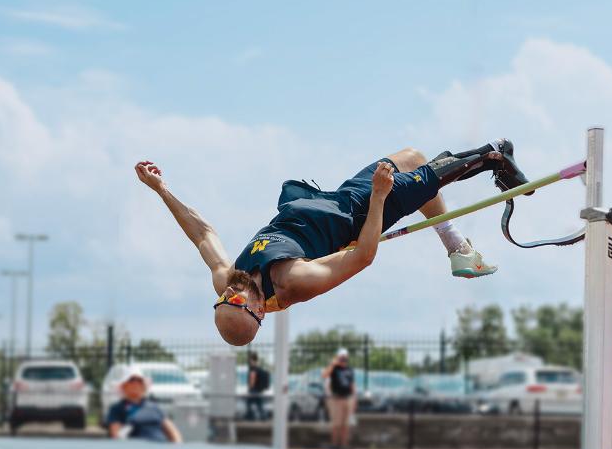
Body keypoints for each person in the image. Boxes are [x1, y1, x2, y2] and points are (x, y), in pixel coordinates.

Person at [134, 139, 530, 346]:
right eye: (239, 304)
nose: (233, 295)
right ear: (259, 312)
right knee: (430, 174)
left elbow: (202, 234)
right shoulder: (294, 281)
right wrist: (379, 198)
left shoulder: (229, 280)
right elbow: (363, 256)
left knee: (411, 156)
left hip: (319, 203)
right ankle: (495, 157)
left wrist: (161, 190)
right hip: (354, 214)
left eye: (225, 300)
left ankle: (457, 249)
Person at [106, 367, 183, 443]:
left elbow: (172, 431)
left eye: (139, 380)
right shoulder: (117, 408)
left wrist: (178, 448)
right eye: (131, 380)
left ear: (144, 386)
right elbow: (116, 435)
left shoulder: (154, 407)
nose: (136, 383)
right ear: (124, 386)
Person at [322, 349, 356, 449]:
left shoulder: (350, 370)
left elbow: (352, 385)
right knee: (336, 423)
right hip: (336, 399)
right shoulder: (334, 369)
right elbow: (324, 375)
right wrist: (332, 364)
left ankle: (344, 445)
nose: (343, 359)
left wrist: (355, 399)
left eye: (345, 357)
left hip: (348, 399)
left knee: (346, 425)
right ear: (337, 357)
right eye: (341, 357)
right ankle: (334, 444)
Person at [245, 353, 270, 421]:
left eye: (250, 360)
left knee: (249, 403)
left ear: (252, 360)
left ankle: (250, 417)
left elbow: (252, 381)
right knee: (259, 405)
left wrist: (250, 388)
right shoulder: (259, 369)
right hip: (259, 390)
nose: (249, 362)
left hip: (253, 390)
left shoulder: (253, 369)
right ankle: (263, 417)